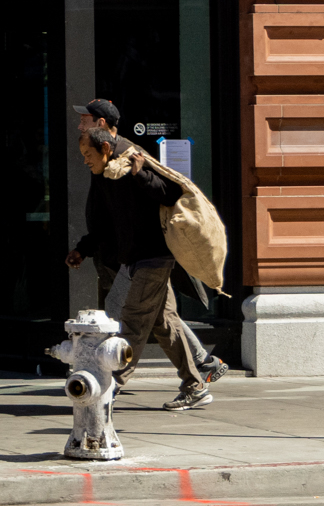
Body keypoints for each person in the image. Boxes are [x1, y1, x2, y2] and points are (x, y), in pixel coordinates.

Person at [66, 106, 225, 410]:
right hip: (135, 257)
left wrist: (141, 176)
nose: (84, 159)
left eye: (88, 153)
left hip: (155, 256)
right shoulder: (103, 172)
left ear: (106, 147)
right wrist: (82, 249)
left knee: (134, 323)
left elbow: (169, 192)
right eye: (83, 154)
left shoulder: (132, 158)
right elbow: (102, 222)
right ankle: (195, 385)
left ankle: (110, 387)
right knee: (164, 324)